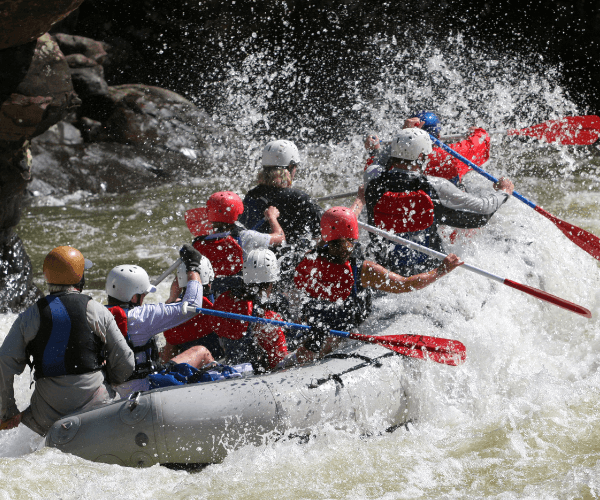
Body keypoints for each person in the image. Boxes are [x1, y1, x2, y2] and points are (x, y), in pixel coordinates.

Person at [290, 207, 463, 356]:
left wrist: (358, 202)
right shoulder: (363, 270)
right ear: (354, 233)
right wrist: (440, 271)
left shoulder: (309, 256)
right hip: (338, 336)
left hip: (309, 329)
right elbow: (406, 284)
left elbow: (337, 227)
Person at [0, 246, 134, 436]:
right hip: (96, 404)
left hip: (45, 415)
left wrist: (8, 411)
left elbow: (4, 359)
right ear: (80, 278)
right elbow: (127, 361)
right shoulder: (96, 310)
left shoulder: (29, 316)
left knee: (31, 417)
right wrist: (112, 379)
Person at [364, 128, 514, 276]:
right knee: (474, 217)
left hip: (384, 269)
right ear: (421, 156)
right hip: (428, 271)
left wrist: (377, 148)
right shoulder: (435, 185)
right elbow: (484, 208)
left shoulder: (372, 176)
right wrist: (504, 192)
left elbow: (379, 160)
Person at [106, 244, 215, 398]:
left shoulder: (97, 313)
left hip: (114, 393)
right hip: (145, 390)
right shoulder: (142, 316)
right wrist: (193, 267)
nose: (144, 298)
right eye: (142, 295)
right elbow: (192, 305)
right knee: (200, 351)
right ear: (133, 298)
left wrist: (172, 298)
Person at [209, 248, 290, 372]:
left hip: (232, 366)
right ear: (271, 283)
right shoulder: (268, 318)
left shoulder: (225, 299)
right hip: (253, 374)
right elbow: (280, 361)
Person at [364, 111, 491, 187]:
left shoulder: (398, 156)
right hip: (447, 209)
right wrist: (477, 132)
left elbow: (372, 173)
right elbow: (481, 142)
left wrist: (374, 151)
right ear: (439, 136)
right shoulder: (450, 155)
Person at [239, 140, 323, 251]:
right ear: (291, 167)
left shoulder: (252, 195)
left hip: (257, 259)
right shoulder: (299, 197)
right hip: (291, 261)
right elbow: (327, 231)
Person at [192, 191, 284, 282]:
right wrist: (272, 217)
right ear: (239, 212)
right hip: (237, 292)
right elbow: (280, 238)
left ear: (208, 213)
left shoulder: (200, 242)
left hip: (212, 292)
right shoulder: (247, 237)